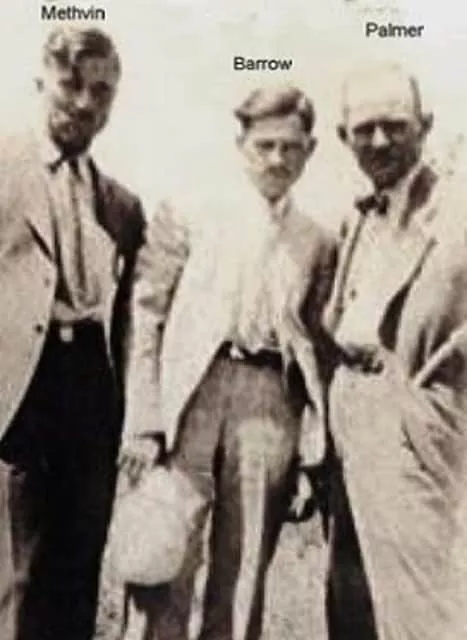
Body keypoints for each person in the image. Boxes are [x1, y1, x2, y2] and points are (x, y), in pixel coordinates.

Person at [118, 85, 336, 640]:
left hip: (270, 402)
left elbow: (317, 345)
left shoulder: (317, 240)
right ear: (241, 144)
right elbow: (146, 311)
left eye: (291, 147)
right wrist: (144, 418)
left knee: (244, 573)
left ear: (310, 150)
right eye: (265, 145)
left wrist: (311, 444)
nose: (277, 159)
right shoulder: (190, 210)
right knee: (163, 554)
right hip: (191, 392)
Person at [0, 25, 144, 640]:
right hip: (18, 394)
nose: (85, 103)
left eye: (101, 92)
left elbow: (131, 321)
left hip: (90, 393)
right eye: (71, 85)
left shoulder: (121, 204)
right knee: (17, 579)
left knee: (78, 568)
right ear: (41, 83)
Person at [321, 61, 467, 640]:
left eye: (395, 125)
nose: (379, 141)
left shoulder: (457, 207)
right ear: (344, 137)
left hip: (417, 430)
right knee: (352, 605)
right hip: (349, 428)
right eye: (364, 129)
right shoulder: (354, 218)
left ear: (425, 126)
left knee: (420, 613)